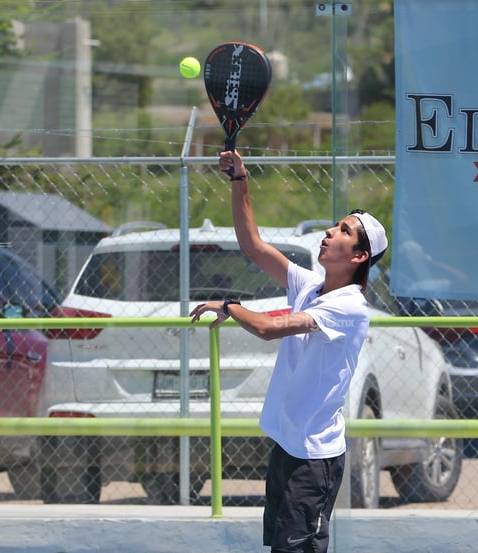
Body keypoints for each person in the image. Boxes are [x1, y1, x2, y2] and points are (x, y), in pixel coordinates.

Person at [189, 149, 388, 553]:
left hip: (315, 459)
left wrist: (228, 306)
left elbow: (268, 328)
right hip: (289, 447)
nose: (331, 232)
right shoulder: (311, 286)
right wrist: (239, 180)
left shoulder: (348, 306)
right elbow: (253, 245)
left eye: (344, 231)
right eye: (334, 226)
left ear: (358, 256)